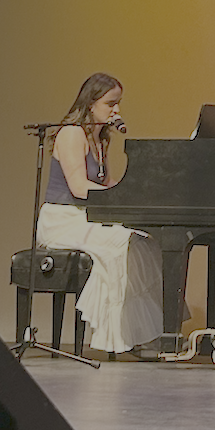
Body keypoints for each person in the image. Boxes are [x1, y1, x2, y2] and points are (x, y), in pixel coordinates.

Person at [37, 73, 164, 354]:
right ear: (91, 103)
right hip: (63, 220)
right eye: (111, 104)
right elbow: (80, 188)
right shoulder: (72, 133)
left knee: (146, 242)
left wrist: (139, 191)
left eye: (118, 104)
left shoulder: (101, 139)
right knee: (122, 244)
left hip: (84, 217)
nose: (116, 110)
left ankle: (149, 333)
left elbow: (107, 185)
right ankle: (124, 336)